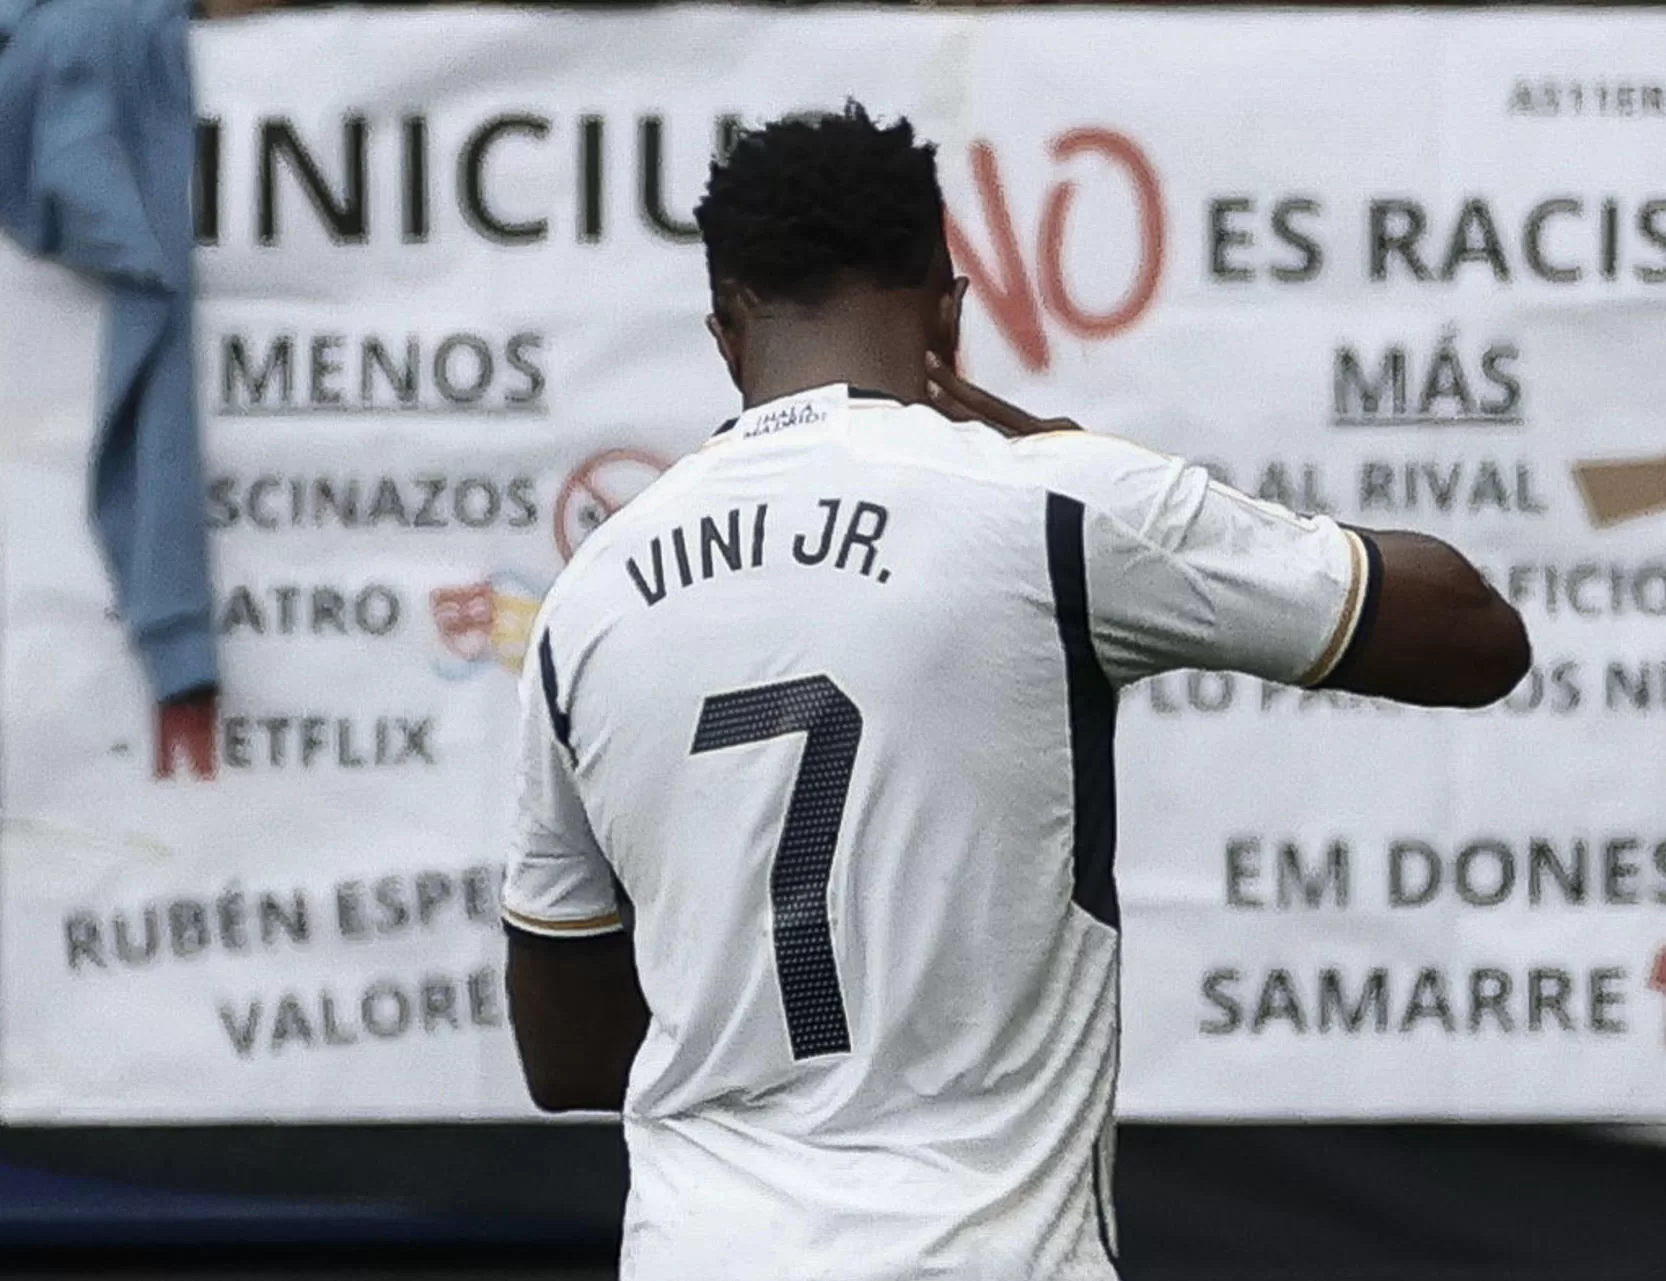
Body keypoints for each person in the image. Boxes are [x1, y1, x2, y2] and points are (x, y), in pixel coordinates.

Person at [501, 103, 1529, 1281]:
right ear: (948, 307)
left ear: (724, 330)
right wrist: (1080, 457)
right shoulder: (1050, 506)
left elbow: (566, 1056)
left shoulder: (588, 596)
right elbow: (1473, 634)